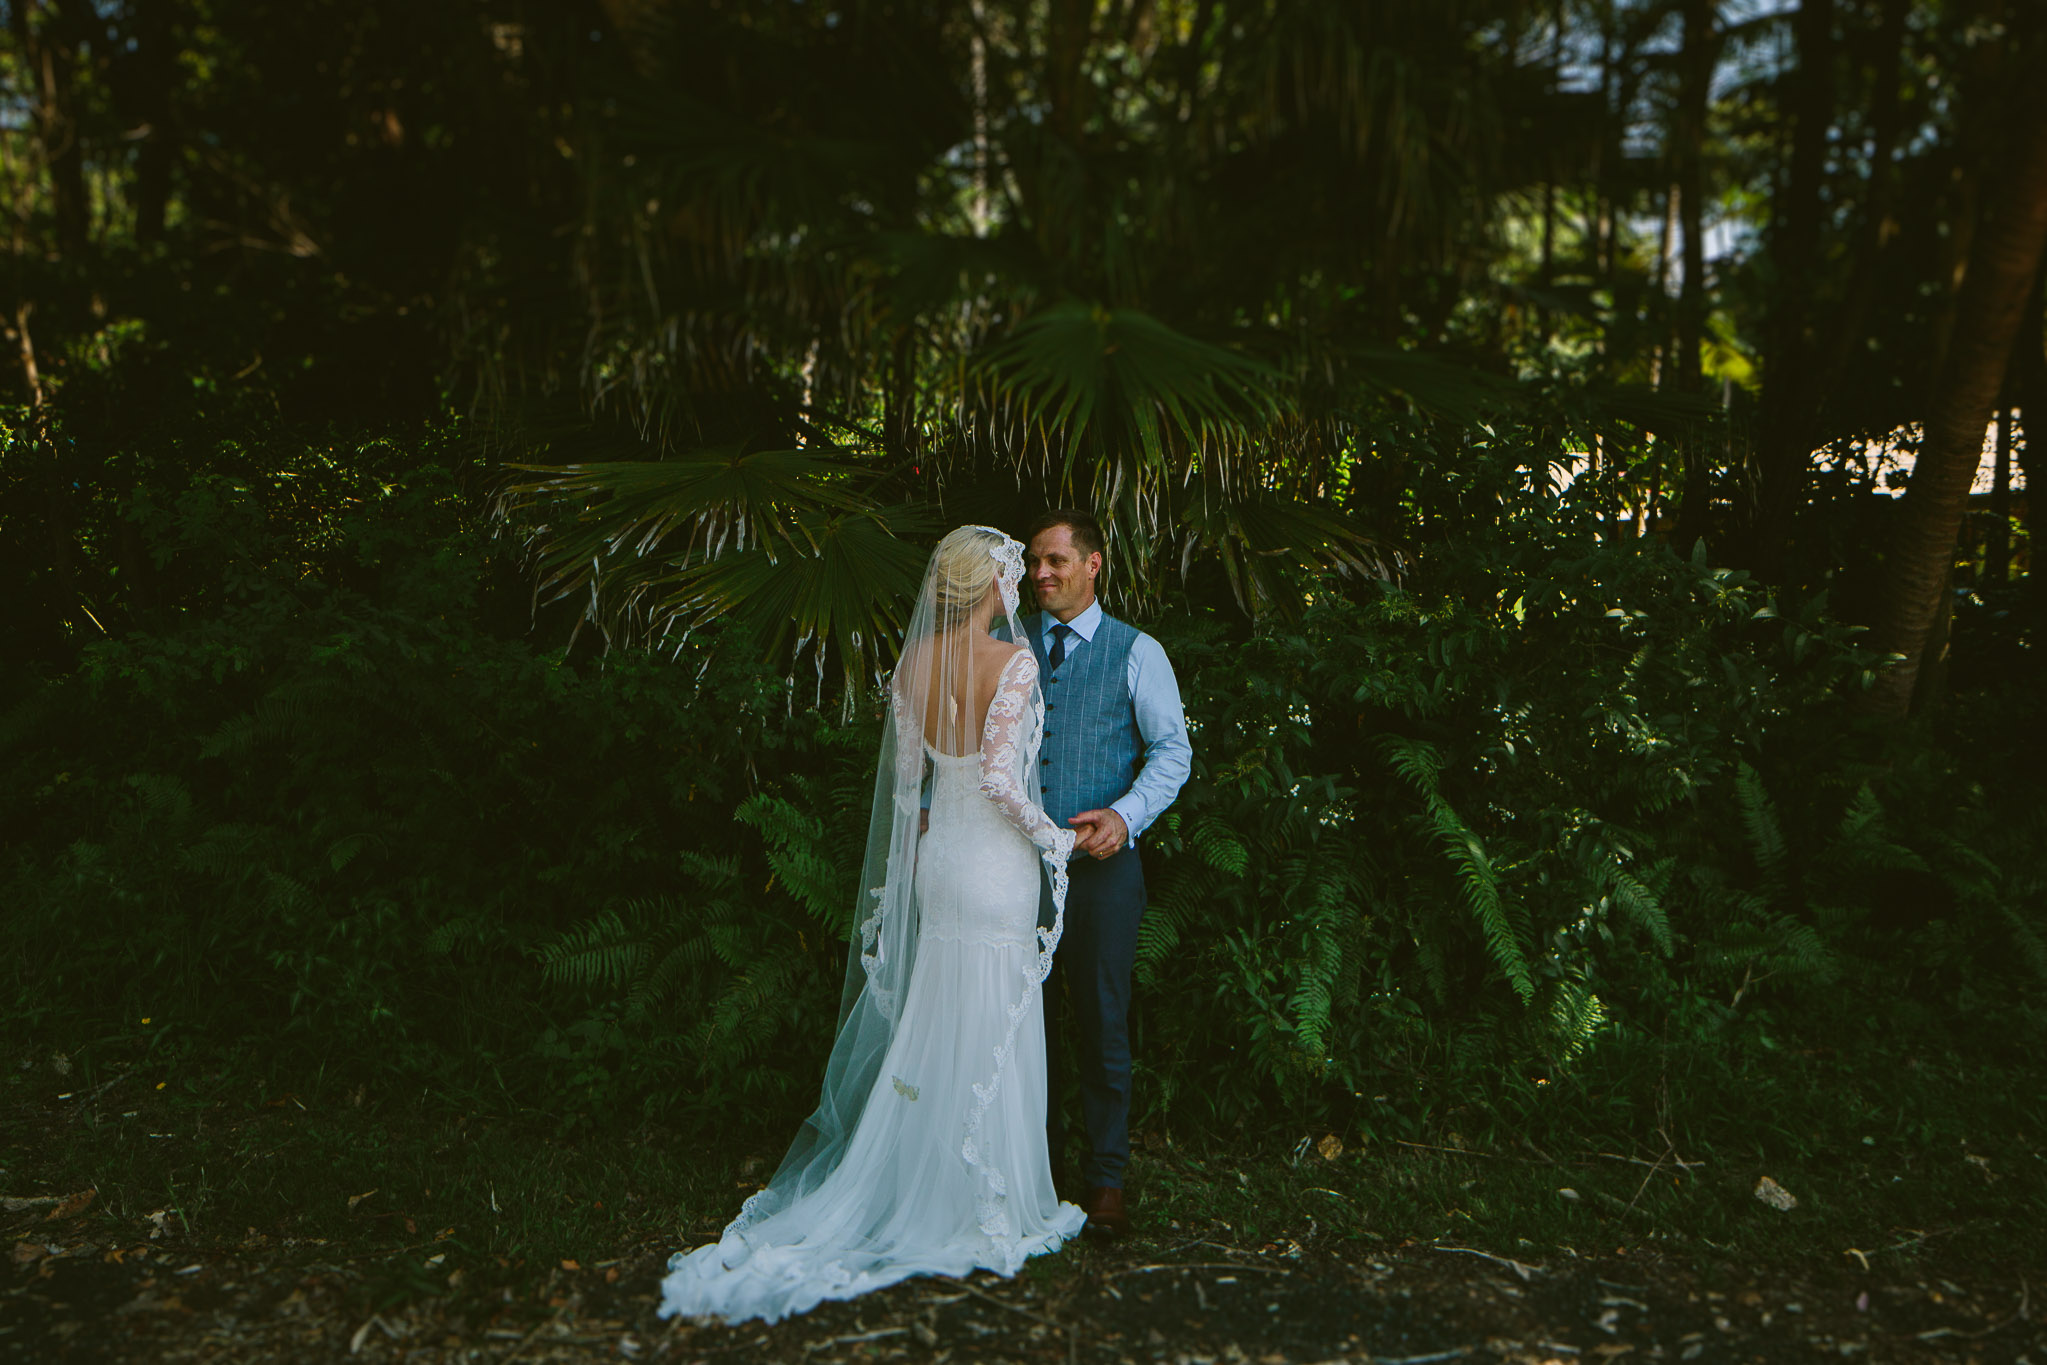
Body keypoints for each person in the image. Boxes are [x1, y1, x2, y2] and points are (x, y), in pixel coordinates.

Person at [658, 526, 1084, 1325]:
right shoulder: (1013, 662)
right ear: (988, 583)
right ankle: (985, 1199)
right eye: (1011, 573)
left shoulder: (913, 667)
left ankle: (925, 1181)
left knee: (940, 1009)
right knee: (991, 1013)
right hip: (993, 864)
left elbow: (908, 791)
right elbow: (999, 778)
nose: (1020, 586)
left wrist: (929, 842)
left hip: (939, 859)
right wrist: (1054, 835)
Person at [1018, 509, 1192, 1239]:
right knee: (1019, 1026)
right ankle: (1032, 1173)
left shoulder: (1135, 650)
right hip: (1012, 868)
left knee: (1100, 1020)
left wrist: (1124, 816)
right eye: (1032, 562)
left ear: (1094, 564)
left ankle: (1105, 1179)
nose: (1040, 574)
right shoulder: (1005, 644)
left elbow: (1172, 750)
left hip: (1100, 871)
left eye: (1055, 560)